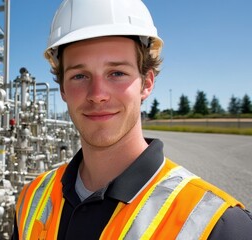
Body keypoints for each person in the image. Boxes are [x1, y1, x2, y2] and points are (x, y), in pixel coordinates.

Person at [13, 0, 252, 239]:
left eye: (117, 73)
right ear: (62, 89)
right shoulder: (31, 200)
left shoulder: (220, 226)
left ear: (147, 83)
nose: (97, 95)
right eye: (79, 76)